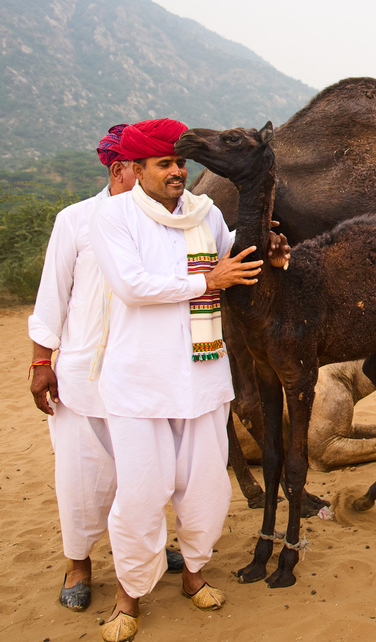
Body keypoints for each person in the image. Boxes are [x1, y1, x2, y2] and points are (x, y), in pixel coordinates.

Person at [87, 118, 280, 642]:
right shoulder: (114, 216)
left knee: (205, 489)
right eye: (164, 164)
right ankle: (129, 596)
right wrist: (208, 280)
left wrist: (264, 255)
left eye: (179, 163)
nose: (177, 172)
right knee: (141, 494)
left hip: (201, 376)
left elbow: (230, 265)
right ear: (134, 168)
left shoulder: (206, 213)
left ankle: (193, 574)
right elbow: (131, 286)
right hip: (139, 383)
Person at [28, 125, 188, 613]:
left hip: (145, 376)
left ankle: (149, 549)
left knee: (147, 473)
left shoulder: (170, 220)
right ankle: (79, 564)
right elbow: (51, 297)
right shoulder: (76, 220)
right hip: (85, 376)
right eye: (151, 164)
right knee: (81, 476)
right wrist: (40, 362)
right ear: (123, 169)